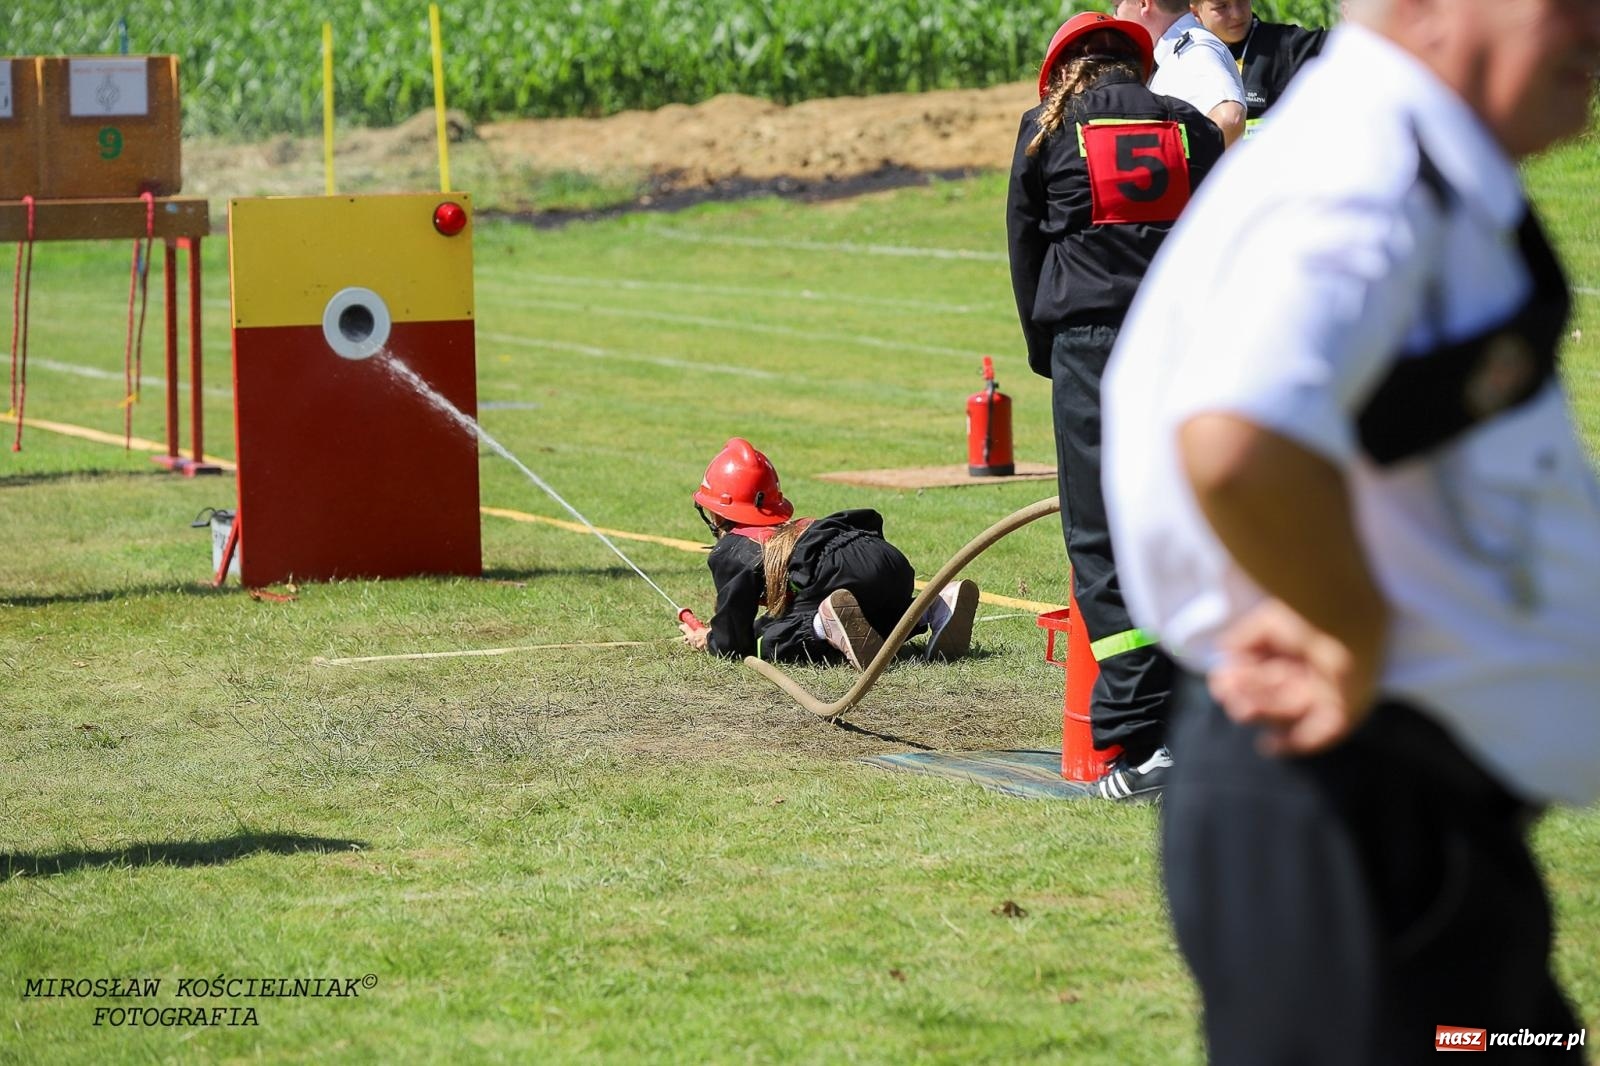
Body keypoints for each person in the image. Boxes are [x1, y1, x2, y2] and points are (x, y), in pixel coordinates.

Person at [1102, 0, 1600, 1058]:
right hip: (1345, 810)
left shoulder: (1417, 163)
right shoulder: (1365, 169)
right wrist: (1353, 628)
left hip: (1423, 831)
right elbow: (1239, 433)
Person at [1006, 11, 1224, 801]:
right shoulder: (1190, 126)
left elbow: (1025, 249)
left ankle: (1142, 747)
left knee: (1101, 539)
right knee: (1182, 524)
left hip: (1090, 346)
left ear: (1063, 69)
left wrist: (1049, 353)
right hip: (1175, 343)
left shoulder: (1045, 129)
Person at [679, 438, 980, 669]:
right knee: (866, 617)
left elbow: (734, 642)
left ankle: (823, 623)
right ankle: (935, 606)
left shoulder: (734, 550)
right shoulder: (791, 530)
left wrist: (709, 638)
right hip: (884, 560)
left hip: (837, 573)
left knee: (765, 640)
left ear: (719, 514)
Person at [1115, 0, 1247, 146]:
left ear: (1143, 3)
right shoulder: (1175, 53)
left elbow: (1230, 119)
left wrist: (1186, 167)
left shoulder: (1193, 51)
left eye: (1116, 7)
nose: (1115, 17)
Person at [1190, 0, 1329, 134]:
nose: (1237, 14)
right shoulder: (1183, 60)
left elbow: (1344, 42)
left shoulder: (1285, 45)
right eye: (1221, 6)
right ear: (1195, 12)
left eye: (1242, 0)